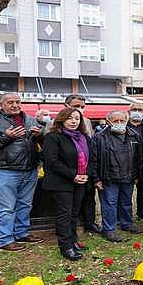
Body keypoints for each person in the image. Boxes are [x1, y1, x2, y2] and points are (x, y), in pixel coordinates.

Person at [0, 93, 44, 252]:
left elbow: (40, 142)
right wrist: (6, 137)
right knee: (7, 207)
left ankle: (21, 233)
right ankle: (5, 239)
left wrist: (40, 136)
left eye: (17, 102)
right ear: (1, 104)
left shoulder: (31, 120)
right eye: (10, 102)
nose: (15, 105)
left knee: (26, 204)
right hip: (6, 170)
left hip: (30, 168)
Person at [42, 108, 91, 261]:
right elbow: (52, 161)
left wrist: (86, 174)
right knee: (64, 214)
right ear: (62, 120)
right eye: (70, 118)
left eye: (77, 118)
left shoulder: (84, 137)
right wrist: (73, 175)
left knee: (74, 213)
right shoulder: (53, 137)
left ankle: (73, 240)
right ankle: (65, 246)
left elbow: (92, 158)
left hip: (81, 181)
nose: (73, 121)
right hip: (61, 182)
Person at [90, 110, 143, 242]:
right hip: (108, 177)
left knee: (126, 202)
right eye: (115, 121)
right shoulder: (99, 137)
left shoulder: (134, 135)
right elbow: (94, 159)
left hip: (128, 175)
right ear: (108, 122)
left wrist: (138, 174)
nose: (119, 123)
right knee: (109, 203)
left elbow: (139, 157)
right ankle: (109, 229)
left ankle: (126, 223)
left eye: (122, 120)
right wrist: (96, 179)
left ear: (126, 121)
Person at [63, 94, 99, 233]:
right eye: (76, 106)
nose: (80, 109)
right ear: (66, 106)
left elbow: (90, 143)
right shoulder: (55, 123)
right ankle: (71, 227)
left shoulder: (87, 122)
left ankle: (90, 223)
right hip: (69, 171)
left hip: (86, 169)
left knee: (89, 197)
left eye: (82, 107)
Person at [127, 102, 143, 220]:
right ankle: (125, 214)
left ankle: (142, 211)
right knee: (127, 190)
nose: (136, 112)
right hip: (128, 162)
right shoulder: (123, 125)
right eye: (134, 109)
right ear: (129, 111)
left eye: (140, 110)